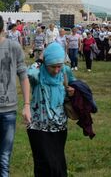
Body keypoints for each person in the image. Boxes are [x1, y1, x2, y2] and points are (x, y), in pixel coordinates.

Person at [27, 42, 76, 177]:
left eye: (59, 66)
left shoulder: (65, 72)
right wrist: (40, 59)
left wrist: (72, 92)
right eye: (52, 67)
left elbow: (74, 85)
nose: (56, 70)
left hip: (59, 126)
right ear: (45, 63)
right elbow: (29, 73)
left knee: (58, 161)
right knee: (43, 163)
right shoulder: (38, 75)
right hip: (38, 127)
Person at [0, 15, 31, 177]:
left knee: (4, 158)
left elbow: (23, 76)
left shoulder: (13, 47)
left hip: (8, 110)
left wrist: (26, 105)